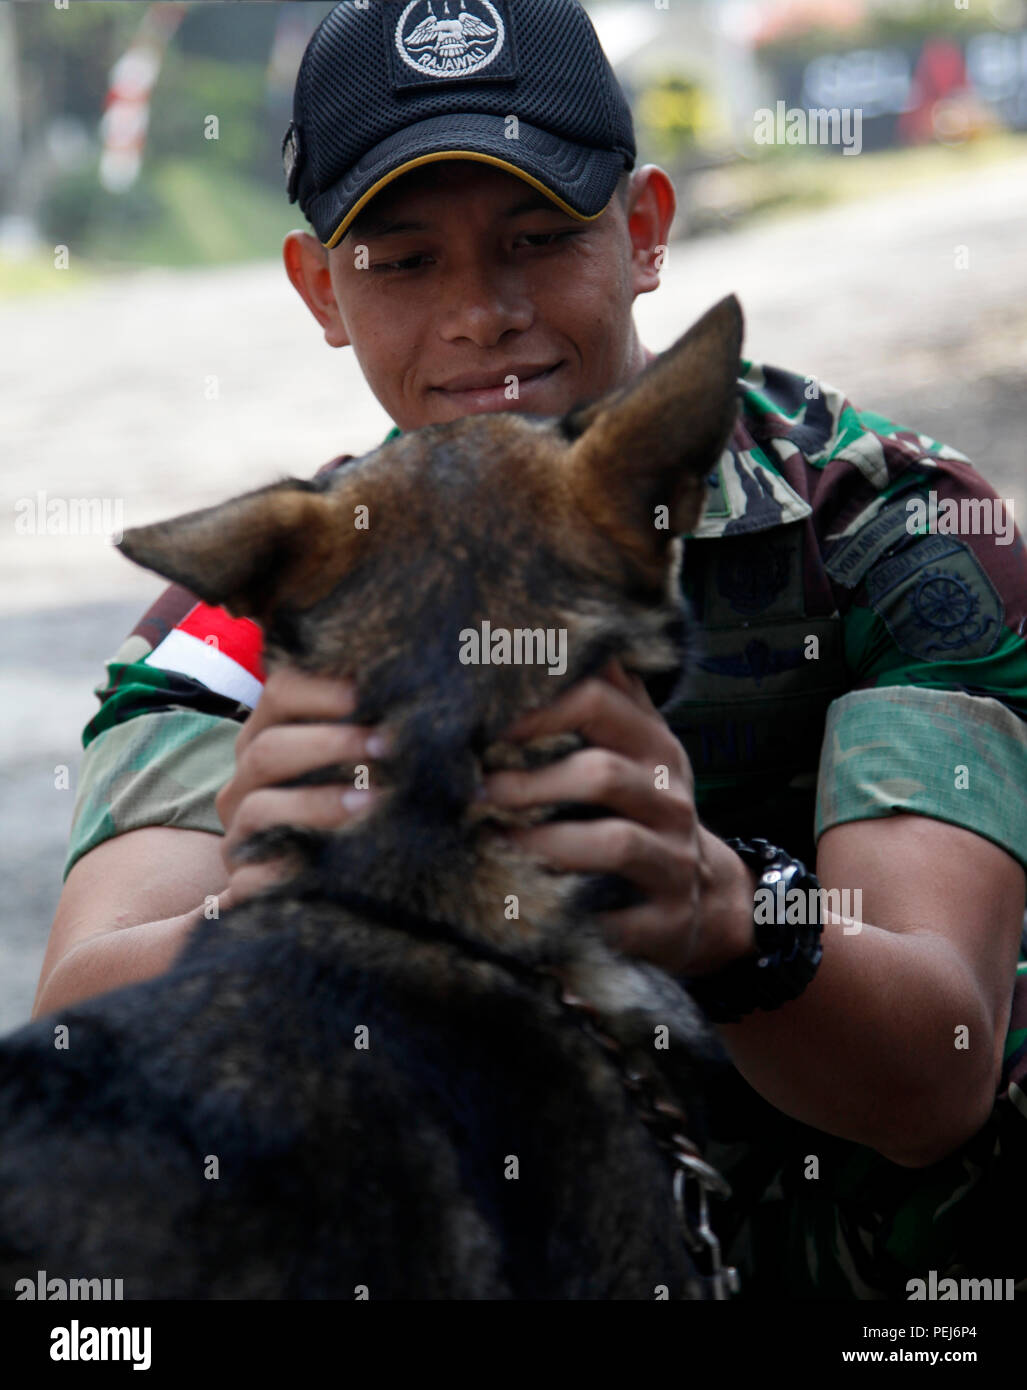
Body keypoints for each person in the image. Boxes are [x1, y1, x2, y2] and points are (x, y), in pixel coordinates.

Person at [36, 0, 1027, 1299]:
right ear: (321, 289)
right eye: (404, 261)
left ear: (648, 228)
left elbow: (939, 1073)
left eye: (541, 237)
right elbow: (79, 1020)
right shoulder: (271, 593)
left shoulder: (890, 528)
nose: (481, 313)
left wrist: (736, 919)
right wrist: (289, 891)